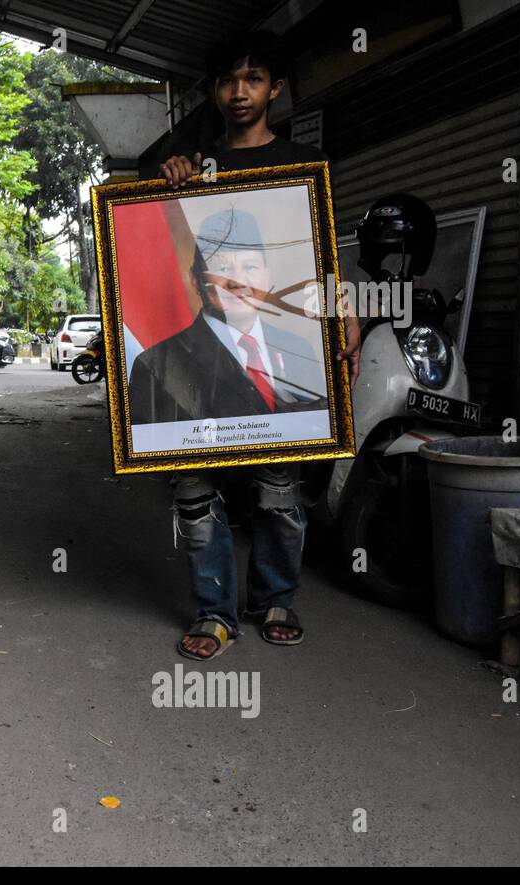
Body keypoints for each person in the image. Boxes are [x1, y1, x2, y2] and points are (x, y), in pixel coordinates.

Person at [155, 30, 361, 660]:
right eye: (226, 80)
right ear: (213, 92)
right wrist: (172, 183)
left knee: (278, 489)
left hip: (281, 346)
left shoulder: (304, 165)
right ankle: (214, 612)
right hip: (201, 368)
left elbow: (322, 253)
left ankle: (273, 597)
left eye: (253, 79)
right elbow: (153, 225)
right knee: (194, 489)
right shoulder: (192, 166)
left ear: (275, 88)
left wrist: (344, 316)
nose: (238, 91)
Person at [129, 207, 328, 425]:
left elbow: (321, 430)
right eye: (222, 268)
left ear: (266, 277)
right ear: (196, 280)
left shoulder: (299, 349)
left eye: (250, 267)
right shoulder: (158, 365)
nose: (237, 282)